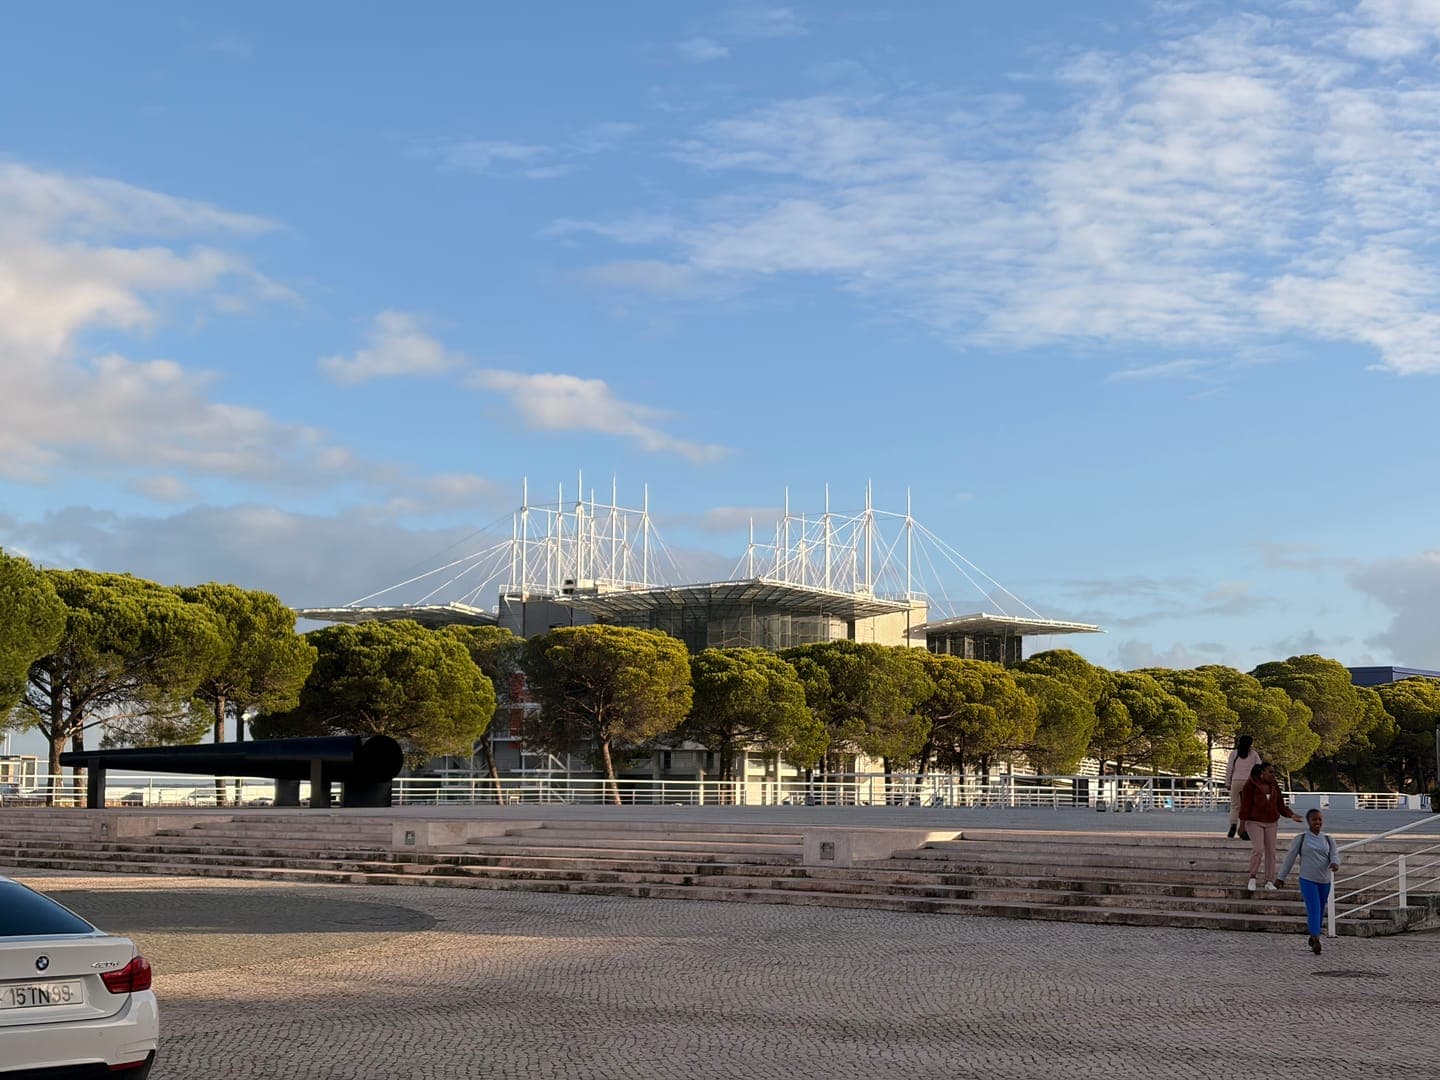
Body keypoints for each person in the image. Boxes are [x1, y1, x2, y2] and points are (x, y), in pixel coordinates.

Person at [1277, 807, 1342, 955]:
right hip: (1308, 879)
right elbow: (1290, 859)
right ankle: (1316, 938)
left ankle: (1314, 934)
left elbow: (1335, 855)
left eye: (1319, 819)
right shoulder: (1301, 839)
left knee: (1320, 910)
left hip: (1324, 880)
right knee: (1313, 908)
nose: (1317, 822)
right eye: (1314, 819)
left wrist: (1335, 863)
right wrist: (1280, 878)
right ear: (1308, 821)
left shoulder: (1328, 839)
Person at [1238, 761, 1302, 893]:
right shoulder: (1250, 785)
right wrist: (1242, 825)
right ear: (1262, 773)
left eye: (1274, 772)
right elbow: (1245, 806)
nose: (1273, 775)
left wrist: (1291, 815)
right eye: (1270, 772)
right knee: (1258, 849)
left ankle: (1268, 881)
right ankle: (1252, 877)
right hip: (1254, 821)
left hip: (1271, 822)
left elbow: (1280, 805)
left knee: (1271, 852)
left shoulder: (1274, 786)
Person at [1224, 734, 1261, 839]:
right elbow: (1259, 767)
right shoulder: (1253, 754)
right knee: (1248, 806)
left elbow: (1229, 768)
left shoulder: (1234, 753)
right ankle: (1243, 829)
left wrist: (1228, 782)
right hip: (1249, 782)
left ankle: (1233, 825)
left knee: (1235, 805)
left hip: (1236, 781)